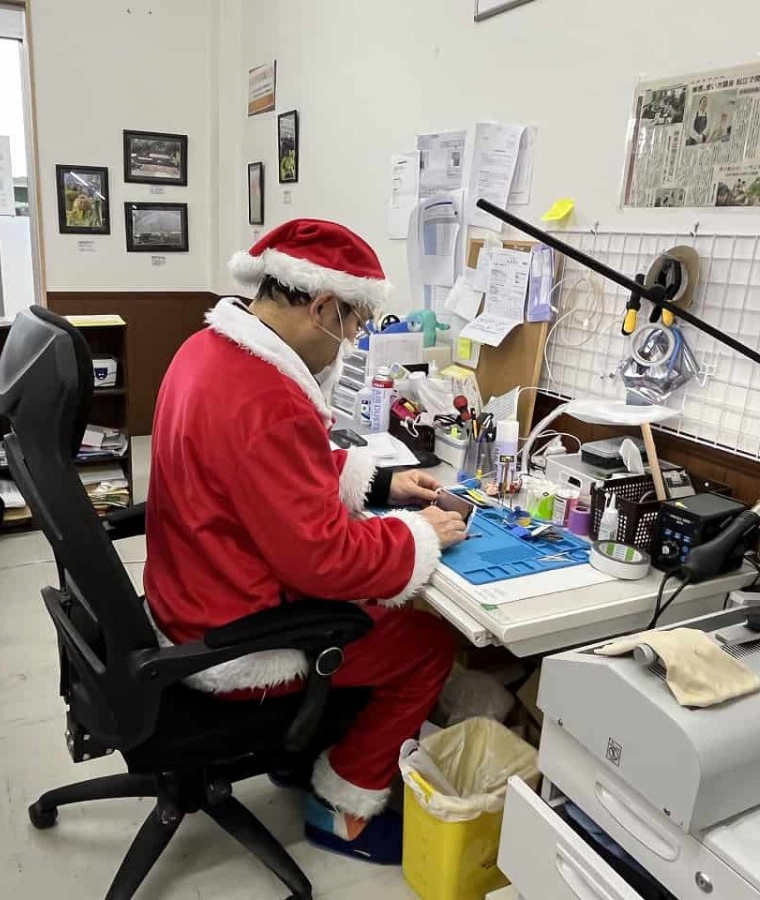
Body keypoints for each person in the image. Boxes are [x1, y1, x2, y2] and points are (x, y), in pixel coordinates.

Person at [144, 218, 467, 865]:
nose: (349, 340)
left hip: (185, 595)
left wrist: (379, 486)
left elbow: (272, 473)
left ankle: (302, 754)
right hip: (233, 636)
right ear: (321, 305)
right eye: (351, 324)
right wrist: (419, 537)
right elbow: (325, 561)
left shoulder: (207, 350)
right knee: (428, 643)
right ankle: (342, 805)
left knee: (379, 618)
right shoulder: (267, 394)